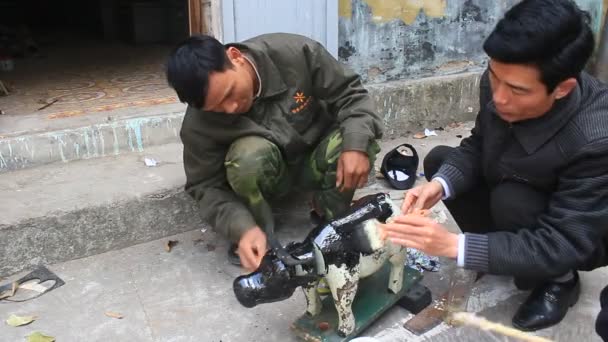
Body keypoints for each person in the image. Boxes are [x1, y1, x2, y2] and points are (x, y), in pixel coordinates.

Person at [381, 0, 608, 332]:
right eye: (494, 75)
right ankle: (502, 250)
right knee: (441, 162)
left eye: (517, 90)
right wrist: (438, 186)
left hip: (569, 232)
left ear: (563, 88)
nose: (499, 97)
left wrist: (453, 246)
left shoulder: (596, 138)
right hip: (515, 185)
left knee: (512, 200)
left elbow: (565, 240)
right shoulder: (501, 82)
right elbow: (478, 143)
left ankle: (560, 281)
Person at [166, 33, 382, 271]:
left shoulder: (296, 54)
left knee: (355, 140)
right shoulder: (198, 125)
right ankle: (259, 235)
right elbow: (205, 186)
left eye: (229, 93)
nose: (231, 108)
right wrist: (241, 227)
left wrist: (355, 146)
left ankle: (332, 216)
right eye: (217, 108)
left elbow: (351, 95)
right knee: (247, 158)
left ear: (235, 57)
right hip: (271, 176)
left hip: (316, 157)